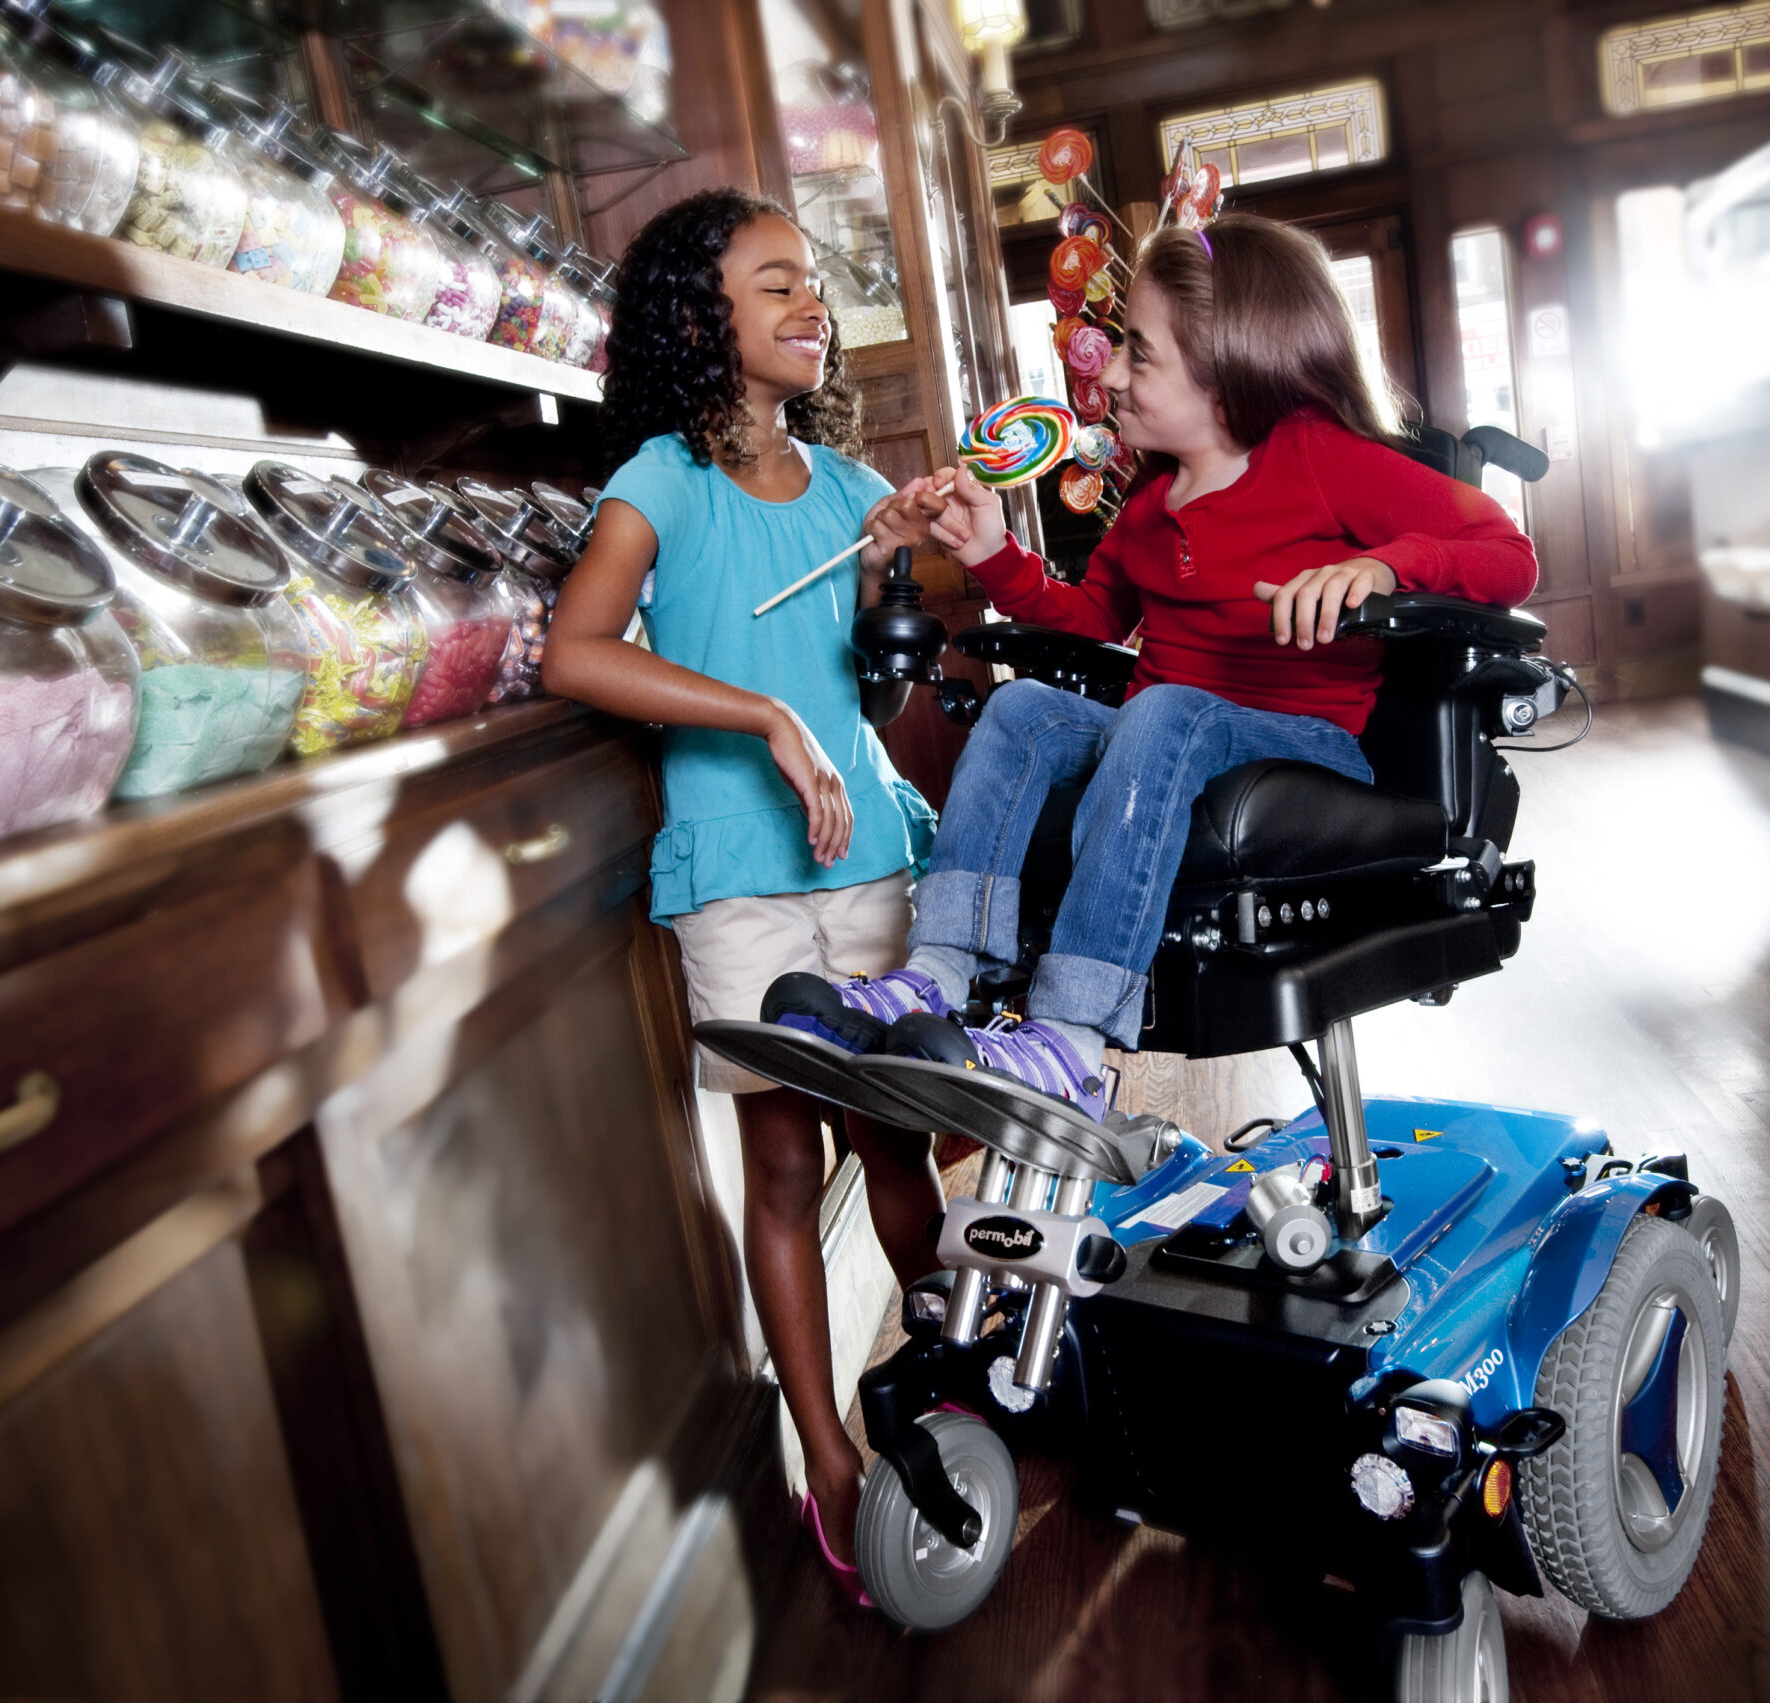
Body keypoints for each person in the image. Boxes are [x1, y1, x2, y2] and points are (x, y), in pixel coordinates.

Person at [769, 211, 1537, 1114]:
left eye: (1139, 354)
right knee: (1021, 711)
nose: (1110, 376)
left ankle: (1071, 1038)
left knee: (1164, 710)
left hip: (1306, 746)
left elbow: (1505, 551)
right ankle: (939, 972)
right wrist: (989, 551)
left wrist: (1382, 566)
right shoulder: (1152, 499)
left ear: (1228, 374)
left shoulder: (1320, 460)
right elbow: (1088, 618)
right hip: (1162, 733)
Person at [540, 188, 951, 1603]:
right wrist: (762, 719)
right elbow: (577, 653)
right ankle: (828, 1459)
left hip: (870, 851)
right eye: (775, 283)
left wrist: (899, 555)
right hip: (737, 873)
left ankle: (954, 1387)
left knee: (900, 1146)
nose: (809, 302)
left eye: (813, 281)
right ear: (699, 320)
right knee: (784, 1164)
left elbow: (871, 681)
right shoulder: (657, 477)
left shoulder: (845, 488)